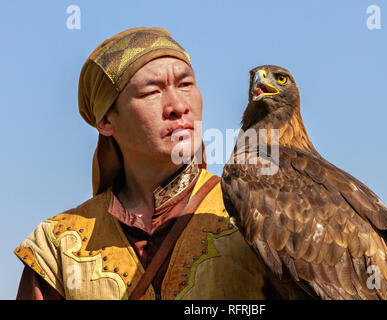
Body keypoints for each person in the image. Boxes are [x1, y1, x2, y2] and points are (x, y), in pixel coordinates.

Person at [14, 27, 277, 300]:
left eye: (186, 85)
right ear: (105, 121)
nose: (177, 106)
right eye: (151, 92)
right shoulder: (57, 246)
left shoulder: (256, 215)